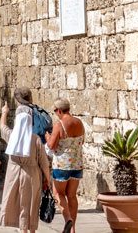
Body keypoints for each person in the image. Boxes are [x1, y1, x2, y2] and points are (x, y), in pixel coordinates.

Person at [0, 88, 51, 232]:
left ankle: (22, 230)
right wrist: (48, 179)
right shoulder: (35, 139)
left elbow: (2, 127)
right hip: (32, 174)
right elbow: (44, 162)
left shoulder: (11, 136)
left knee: (18, 204)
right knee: (31, 204)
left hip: (14, 173)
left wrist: (4, 112)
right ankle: (31, 230)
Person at [46, 98, 84, 233]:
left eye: (55, 111)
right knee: (72, 196)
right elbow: (81, 141)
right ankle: (73, 229)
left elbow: (51, 146)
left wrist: (47, 137)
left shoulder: (59, 125)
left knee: (58, 193)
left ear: (59, 110)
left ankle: (68, 219)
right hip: (77, 164)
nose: (56, 113)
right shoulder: (79, 123)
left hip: (62, 165)